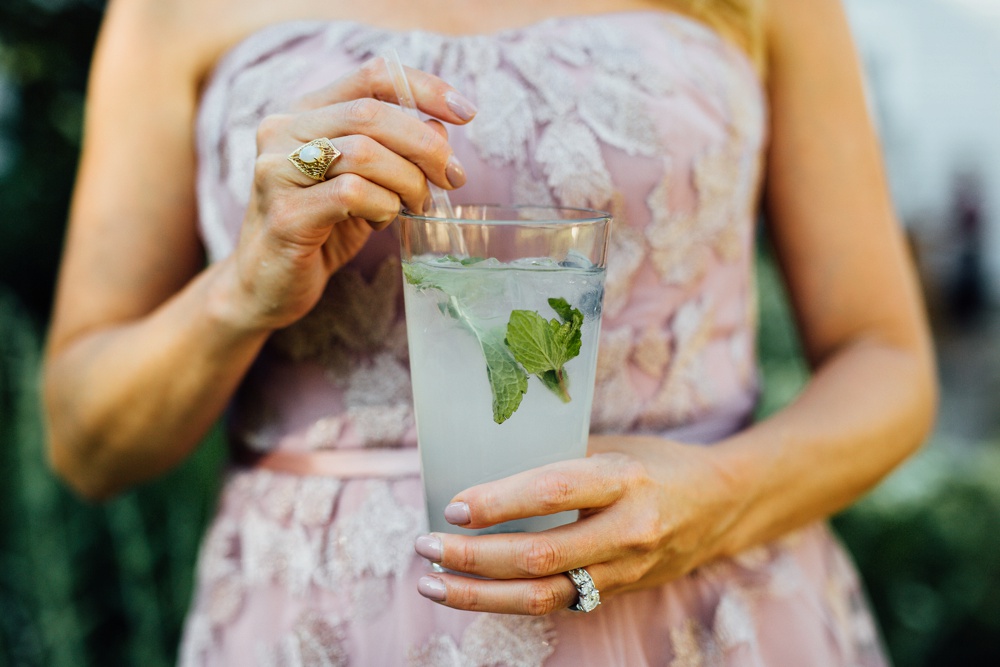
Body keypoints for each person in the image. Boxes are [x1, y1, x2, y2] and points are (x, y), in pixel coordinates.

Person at [43, 0, 936, 664]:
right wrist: (240, 290)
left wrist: (714, 499)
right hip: (326, 626)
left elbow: (886, 360)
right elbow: (86, 442)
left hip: (699, 613)